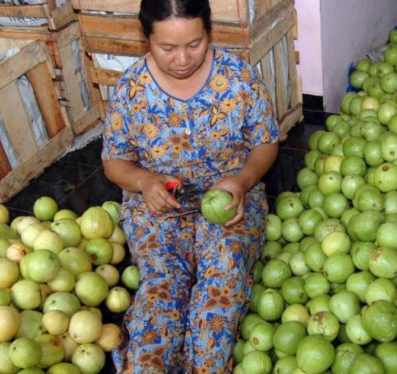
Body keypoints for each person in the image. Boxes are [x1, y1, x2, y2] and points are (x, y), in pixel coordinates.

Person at [101, 0, 280, 372]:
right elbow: (113, 161)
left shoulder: (238, 78)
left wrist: (243, 181)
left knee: (223, 278)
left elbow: (266, 141)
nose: (182, 58)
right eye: (167, 48)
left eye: (194, 44)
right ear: (146, 38)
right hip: (158, 205)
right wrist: (144, 180)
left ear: (208, 33)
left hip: (231, 200)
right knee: (161, 288)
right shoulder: (131, 90)